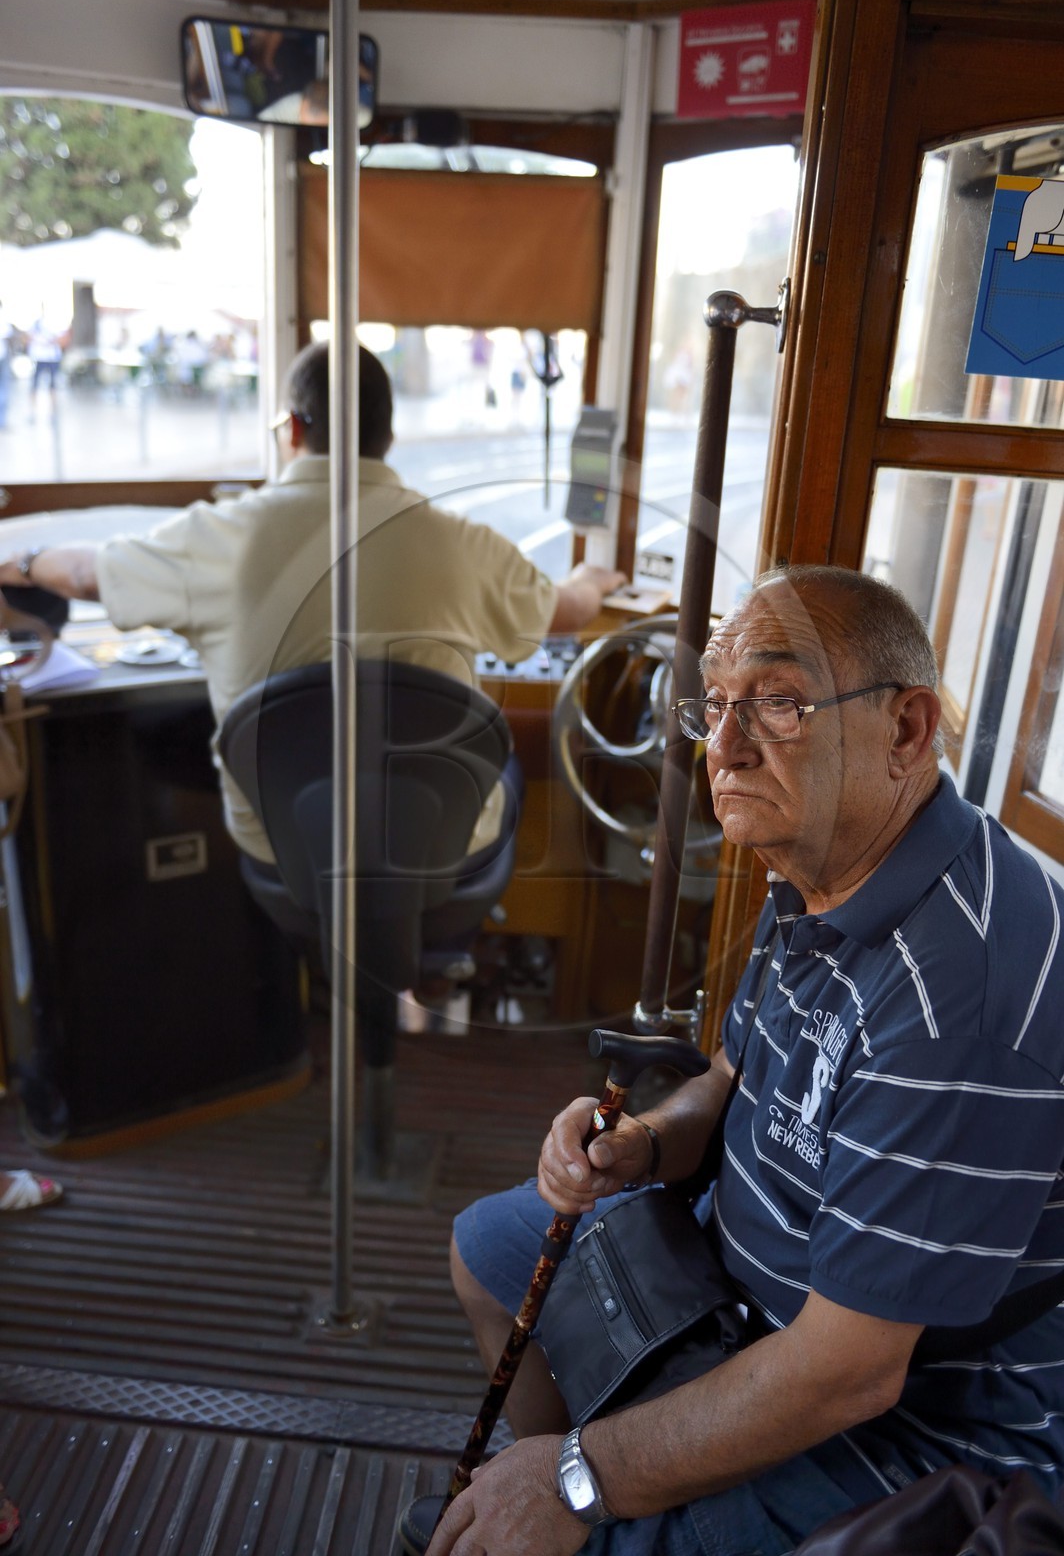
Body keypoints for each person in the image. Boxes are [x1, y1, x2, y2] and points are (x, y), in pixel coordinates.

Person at [404, 564, 1064, 1556]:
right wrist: (645, 1144)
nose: (723, 745)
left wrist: (582, 1480)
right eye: (712, 706)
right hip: (736, 1279)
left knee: (561, 1508)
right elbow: (733, 1075)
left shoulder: (957, 998)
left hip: (912, 1424)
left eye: (778, 703)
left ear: (904, 730)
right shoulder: (818, 863)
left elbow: (848, 1373)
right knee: (485, 1251)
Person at [0, 343, 625, 867]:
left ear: (294, 429)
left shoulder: (217, 537)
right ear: (388, 438)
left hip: (283, 846)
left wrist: (20, 564)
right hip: (438, 842)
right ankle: (430, 982)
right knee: (507, 770)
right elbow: (566, 612)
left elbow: (84, 573)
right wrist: (595, 578)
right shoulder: (461, 543)